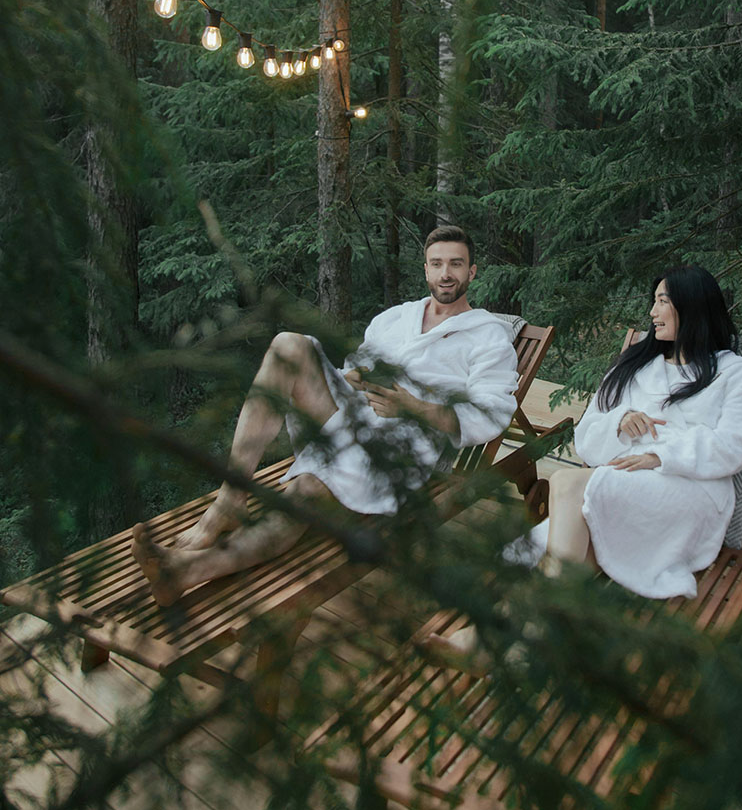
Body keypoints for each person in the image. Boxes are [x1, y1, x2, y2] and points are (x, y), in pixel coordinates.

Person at [132, 225, 519, 605]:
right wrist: (353, 377)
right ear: (425, 269)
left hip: (405, 441)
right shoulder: (396, 318)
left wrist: (412, 406)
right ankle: (230, 497)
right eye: (437, 263)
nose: (445, 273)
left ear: (472, 272)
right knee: (288, 345)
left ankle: (186, 571)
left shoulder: (487, 336)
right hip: (354, 410)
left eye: (456, 264)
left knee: (306, 488)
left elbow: (492, 414)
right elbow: (355, 367)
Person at [427, 263, 742, 661]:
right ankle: (508, 641)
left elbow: (732, 447)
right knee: (576, 545)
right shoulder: (637, 366)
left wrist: (659, 455)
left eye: (662, 302)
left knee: (569, 484)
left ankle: (505, 638)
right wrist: (620, 425)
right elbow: (586, 437)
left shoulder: (735, 373)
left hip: (689, 491)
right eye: (652, 302)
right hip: (624, 484)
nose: (652, 313)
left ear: (693, 306)